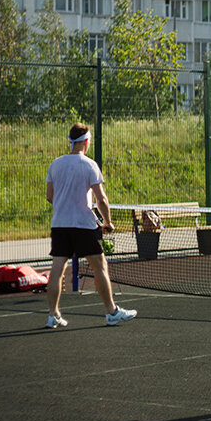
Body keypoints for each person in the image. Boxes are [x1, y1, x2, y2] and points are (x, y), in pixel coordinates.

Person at [44, 123, 138, 328]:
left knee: (57, 269)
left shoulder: (55, 164)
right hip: (84, 226)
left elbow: (50, 196)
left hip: (60, 225)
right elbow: (101, 199)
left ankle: (53, 315)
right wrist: (108, 222)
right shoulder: (89, 165)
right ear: (86, 141)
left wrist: (66, 205)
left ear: (71, 142)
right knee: (100, 267)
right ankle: (112, 312)